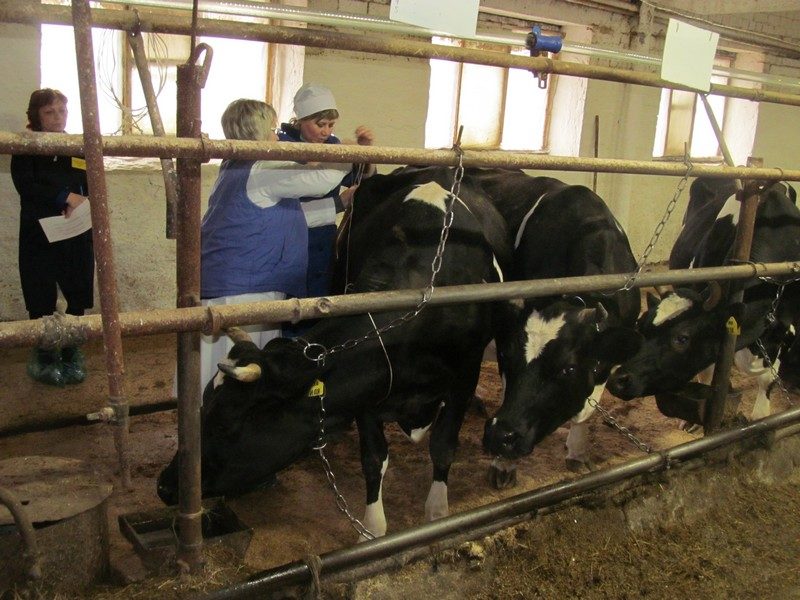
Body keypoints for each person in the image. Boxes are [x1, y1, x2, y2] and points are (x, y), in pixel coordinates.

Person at [199, 98, 352, 392]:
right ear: (256, 133)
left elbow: (290, 217)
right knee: (235, 368)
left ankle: (216, 419)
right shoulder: (262, 167)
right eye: (271, 129)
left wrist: (340, 202)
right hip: (244, 288)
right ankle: (226, 423)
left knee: (230, 365)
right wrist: (347, 152)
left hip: (234, 280)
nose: (277, 136)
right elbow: (322, 179)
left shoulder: (233, 164)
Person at [10, 88, 93, 387]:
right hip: (39, 232)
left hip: (74, 230)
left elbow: (89, 181)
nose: (58, 117)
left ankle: (71, 352)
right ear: (36, 116)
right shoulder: (25, 145)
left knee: (78, 289)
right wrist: (64, 197)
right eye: (50, 112)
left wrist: (82, 201)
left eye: (62, 110)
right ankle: (44, 355)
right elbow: (27, 186)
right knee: (40, 291)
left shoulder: (76, 145)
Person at [278, 83, 376, 302]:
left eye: (331, 124)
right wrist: (338, 202)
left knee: (320, 295)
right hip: (290, 233)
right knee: (291, 296)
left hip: (323, 236)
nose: (326, 131)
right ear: (301, 119)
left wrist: (365, 152)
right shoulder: (282, 144)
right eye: (320, 124)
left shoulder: (334, 144)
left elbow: (362, 179)